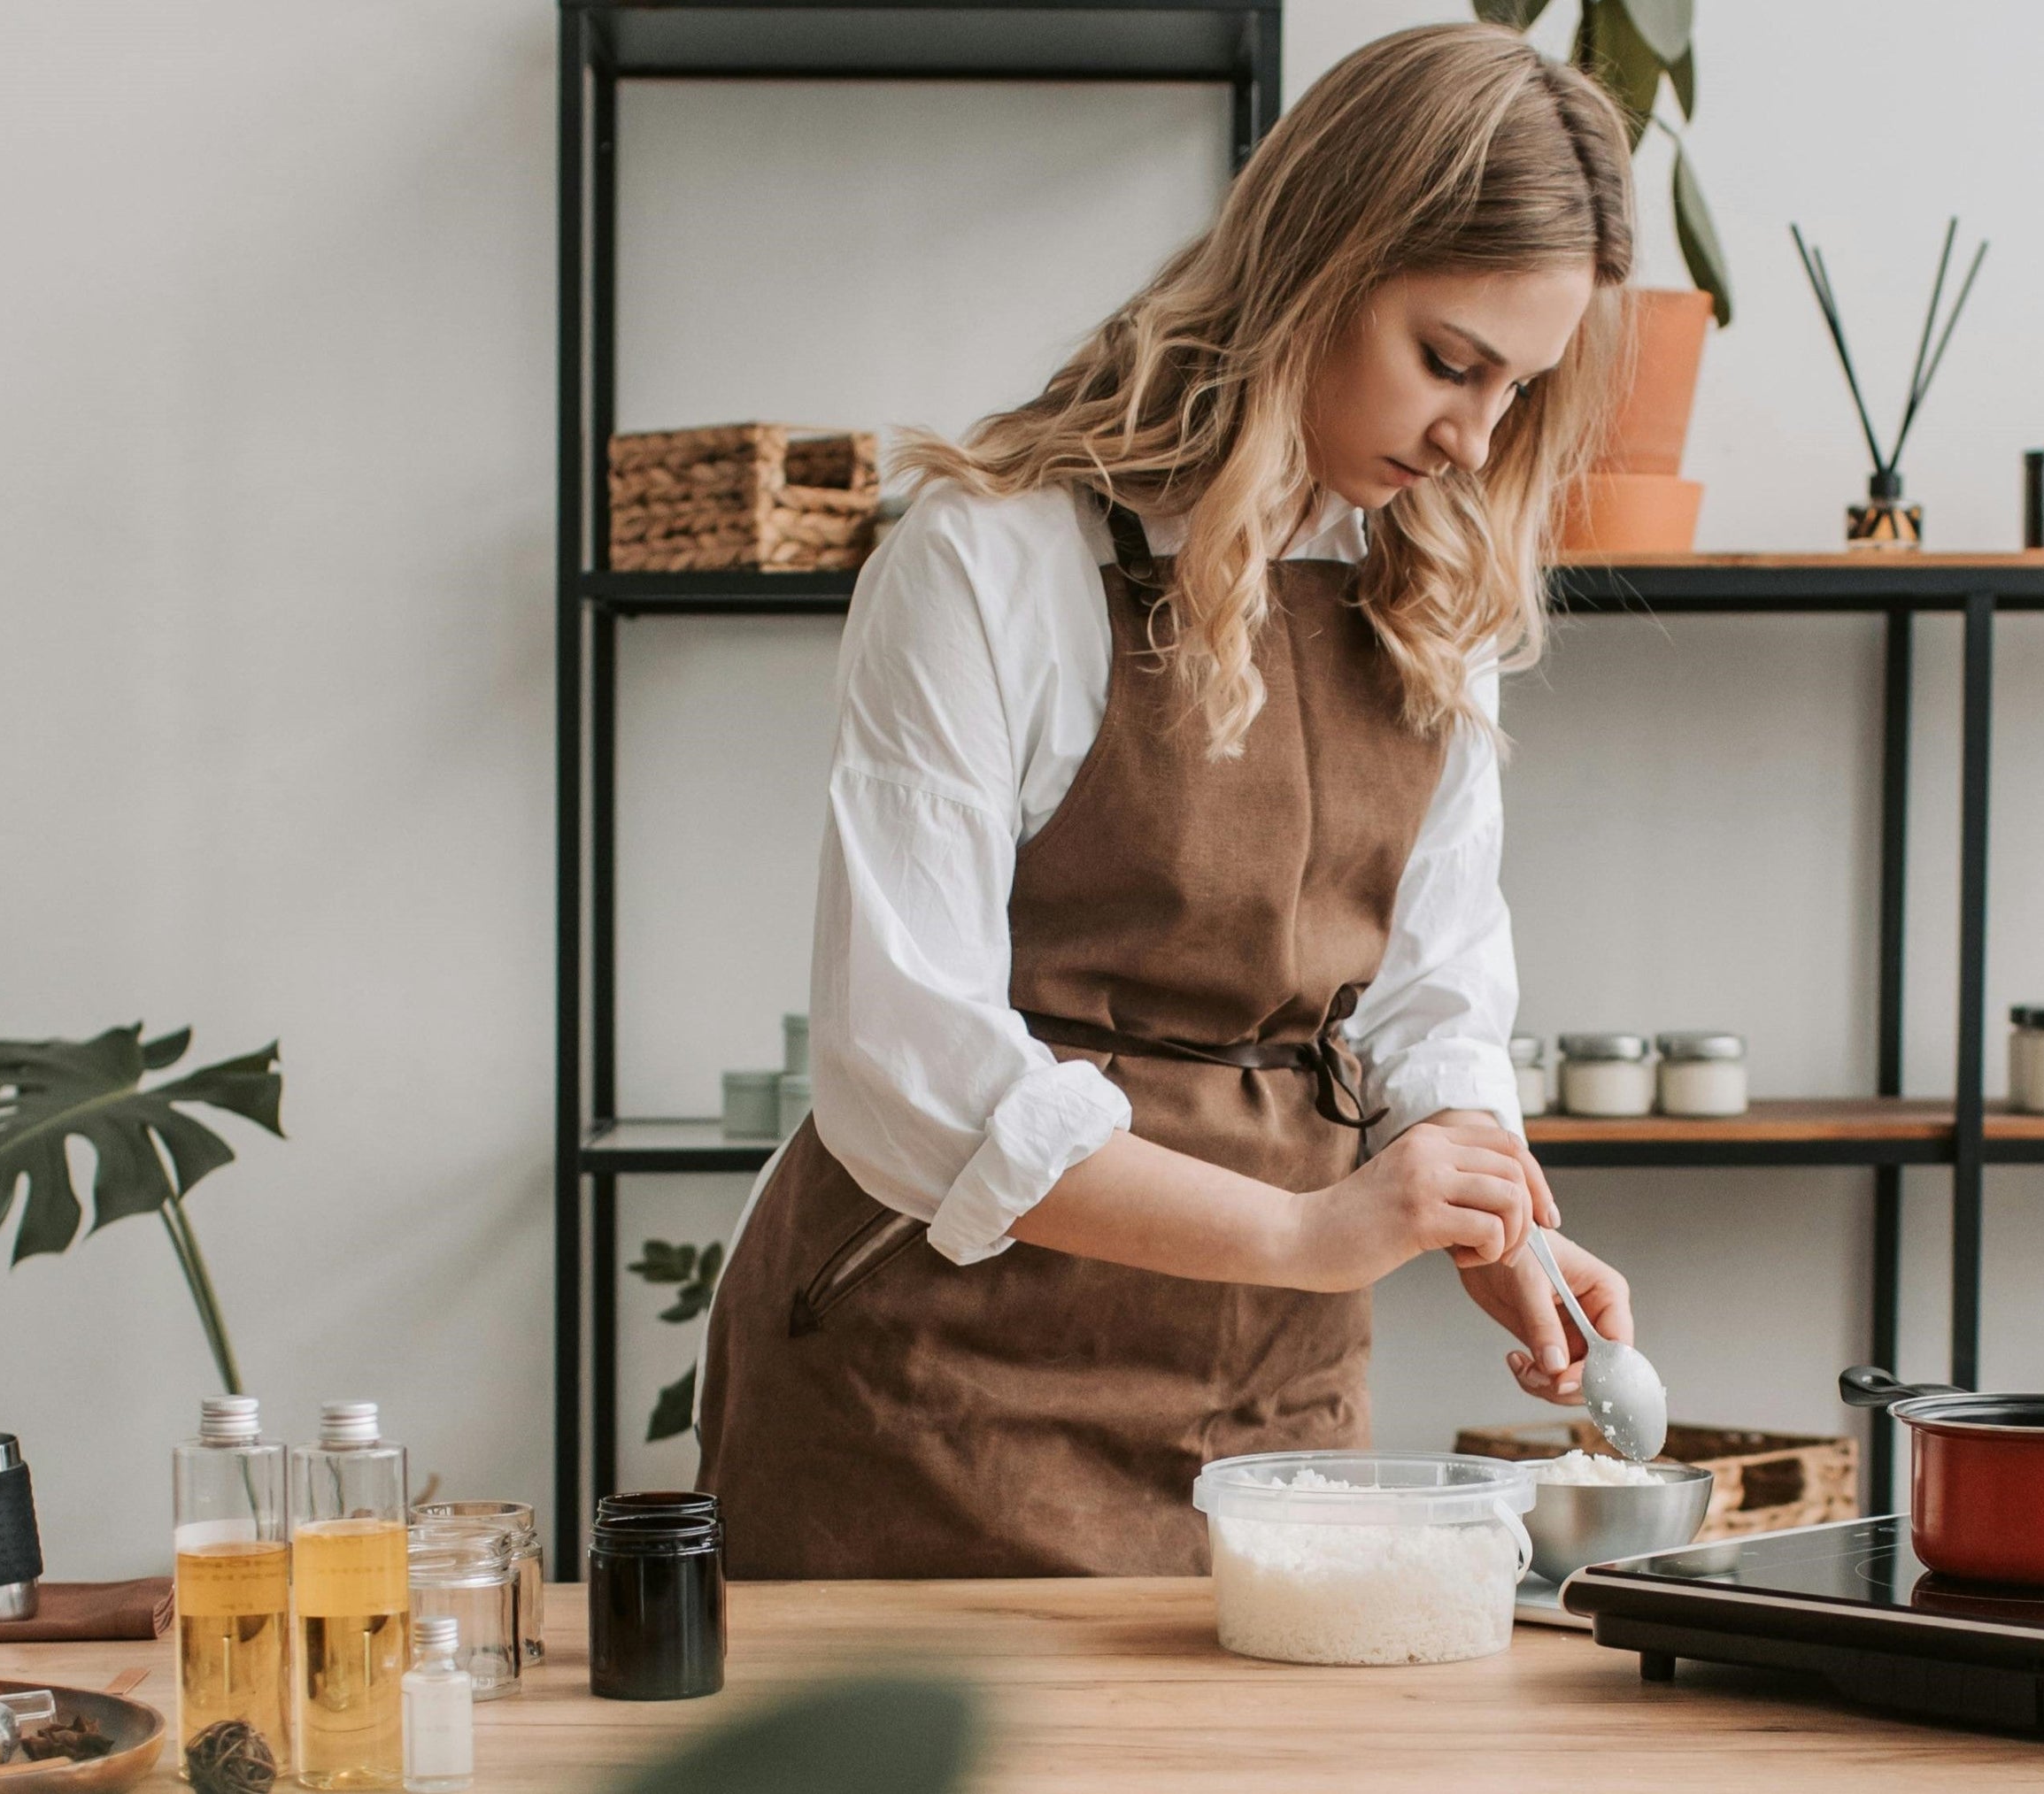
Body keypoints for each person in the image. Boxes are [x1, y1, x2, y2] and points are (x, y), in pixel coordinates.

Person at [697, 22, 1642, 1577]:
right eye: (1450, 360)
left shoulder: (1424, 598)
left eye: (1519, 390)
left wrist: (1485, 1208)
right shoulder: (991, 561)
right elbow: (902, 1062)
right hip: (931, 1402)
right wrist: (1300, 1233)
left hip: (1272, 1406)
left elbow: (1431, 996)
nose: (1476, 438)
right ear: (1318, 264)